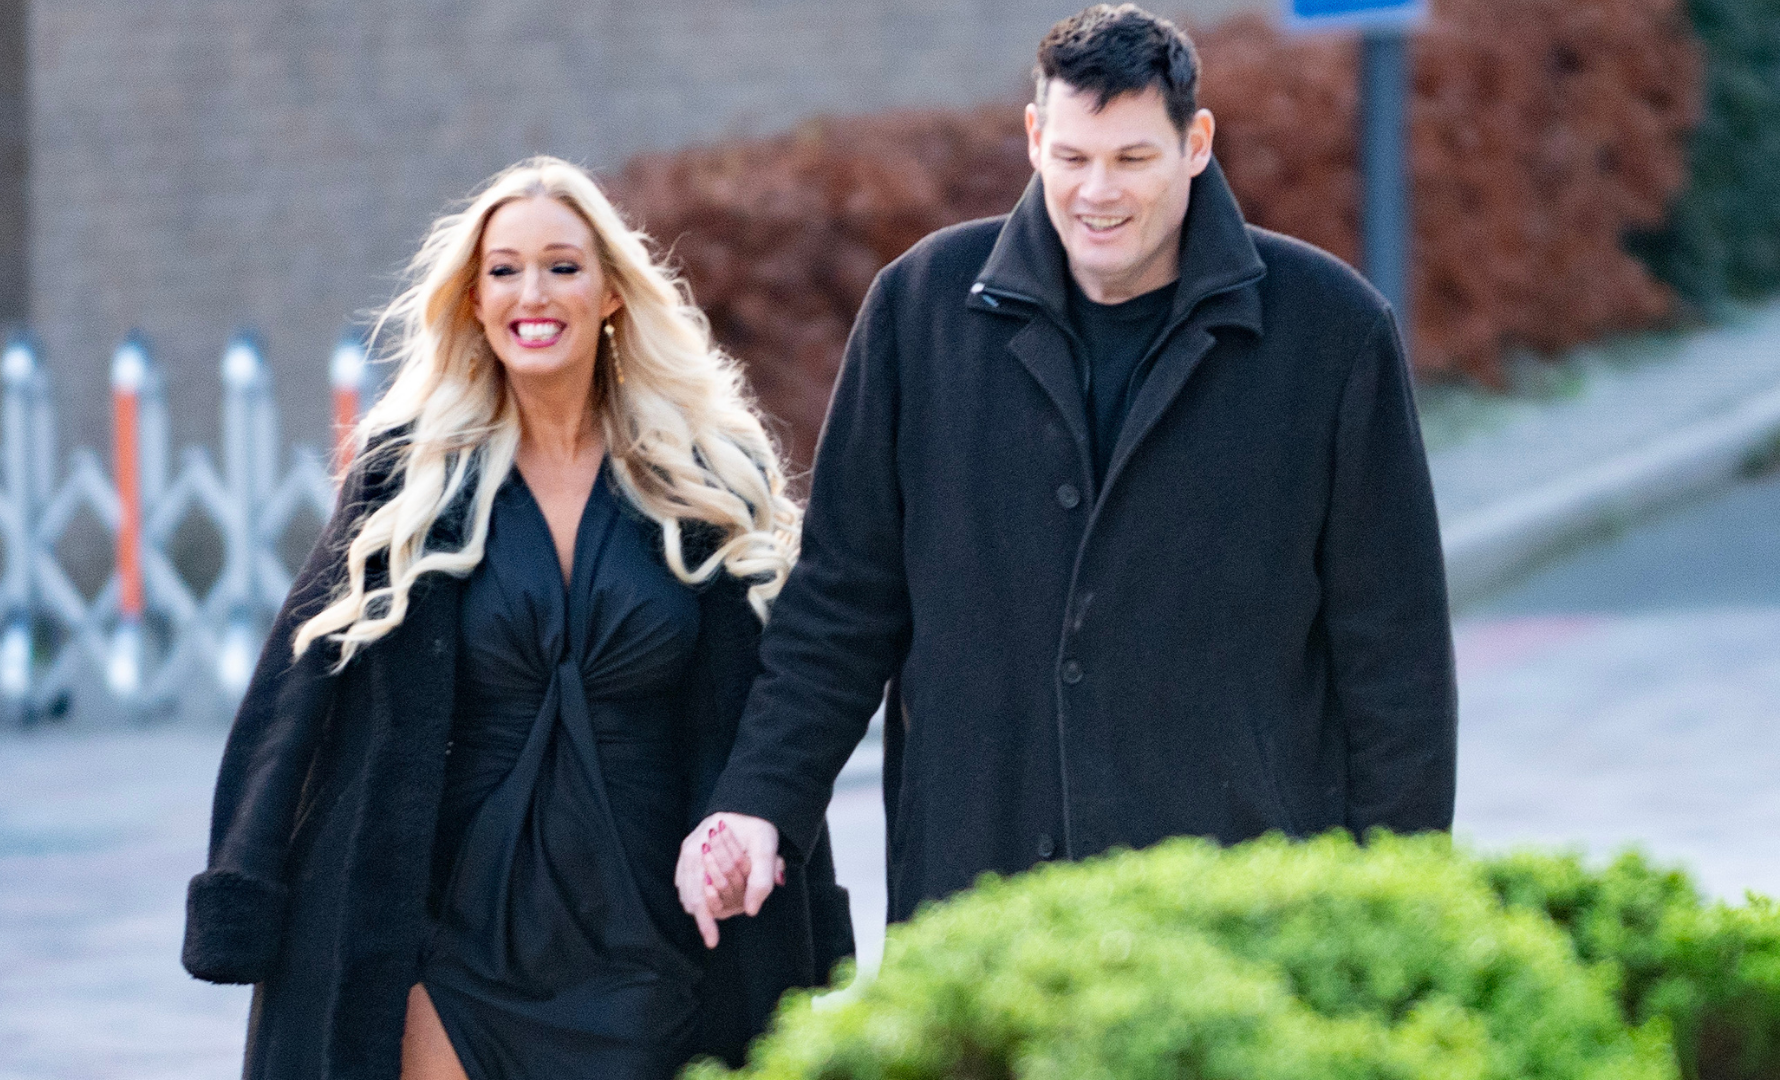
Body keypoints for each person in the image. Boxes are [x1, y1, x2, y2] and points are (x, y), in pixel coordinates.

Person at [677, 3, 1456, 938]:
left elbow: (1394, 657)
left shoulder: (1331, 333)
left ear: (1196, 144)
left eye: (1132, 159)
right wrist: (759, 799)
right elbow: (844, 599)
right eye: (1074, 157)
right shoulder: (921, 311)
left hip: (1239, 912)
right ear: (1034, 137)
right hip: (978, 897)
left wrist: (1399, 908)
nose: (1099, 192)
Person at [181, 157, 853, 1080]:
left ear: (610, 293)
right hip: (445, 932)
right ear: (474, 299)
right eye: (503, 270)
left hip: (657, 932)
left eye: (561, 266)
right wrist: (244, 880)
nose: (531, 293)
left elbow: (774, 696)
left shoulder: (699, 476)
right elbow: (294, 691)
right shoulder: (409, 475)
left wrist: (763, 826)